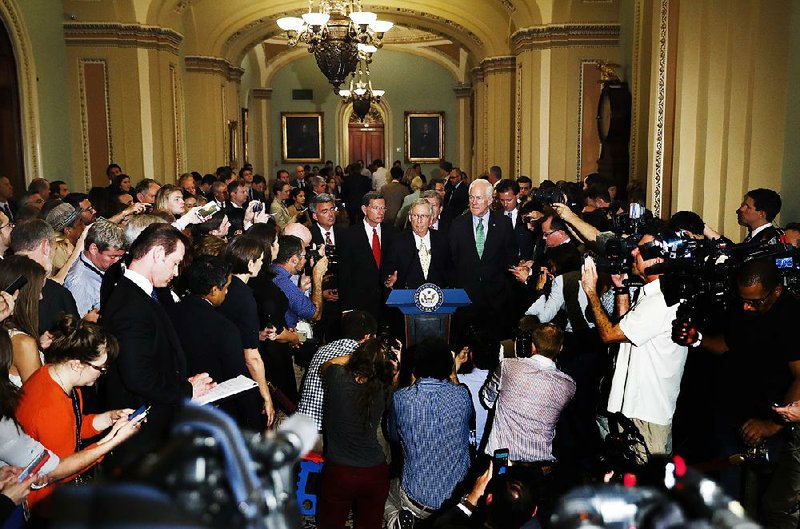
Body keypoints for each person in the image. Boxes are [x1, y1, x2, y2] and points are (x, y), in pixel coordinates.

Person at [102, 224, 214, 463]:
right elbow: (138, 376)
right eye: (174, 263)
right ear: (157, 254)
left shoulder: (138, 293)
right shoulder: (130, 304)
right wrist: (187, 390)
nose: (175, 272)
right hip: (144, 432)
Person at [16, 315, 144, 511]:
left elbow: (73, 428)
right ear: (76, 364)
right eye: (101, 368)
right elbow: (57, 470)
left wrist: (108, 418)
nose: (103, 372)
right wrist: (113, 440)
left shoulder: (57, 376)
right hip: (45, 503)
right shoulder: (48, 407)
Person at [581, 224, 688, 458]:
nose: (632, 253)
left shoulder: (661, 302)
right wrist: (621, 290)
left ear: (659, 259)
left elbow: (609, 334)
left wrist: (590, 291)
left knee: (646, 484)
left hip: (647, 414)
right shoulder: (652, 293)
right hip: (634, 407)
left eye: (640, 250)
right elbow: (624, 331)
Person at [169, 255, 266, 430]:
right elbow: (238, 380)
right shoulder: (224, 329)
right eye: (226, 287)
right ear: (214, 290)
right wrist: (254, 423)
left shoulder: (170, 313)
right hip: (218, 412)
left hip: (179, 404)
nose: (227, 292)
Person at [385, 337, 473, 528]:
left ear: (416, 367)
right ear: (448, 366)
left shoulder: (402, 399)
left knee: (380, 487)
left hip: (417, 501)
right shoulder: (463, 396)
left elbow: (392, 436)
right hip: (456, 502)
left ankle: (397, 520)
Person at [316, 338, 398, 529]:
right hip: (374, 472)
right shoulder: (384, 390)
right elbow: (394, 382)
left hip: (340, 471)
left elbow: (327, 364)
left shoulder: (337, 378)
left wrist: (361, 354)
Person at [480, 323, 575, 464]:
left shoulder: (508, 366)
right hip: (540, 465)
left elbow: (487, 400)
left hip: (503, 459)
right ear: (560, 348)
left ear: (532, 346)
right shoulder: (569, 385)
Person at [217, 236, 276, 427]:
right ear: (250, 264)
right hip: (237, 376)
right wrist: (266, 396)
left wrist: (254, 334)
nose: (262, 264)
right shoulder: (244, 297)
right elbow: (252, 357)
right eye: (260, 260)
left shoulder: (226, 287)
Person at [449, 179, 517, 341]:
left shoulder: (503, 224)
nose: (473, 202)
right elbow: (451, 260)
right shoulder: (457, 225)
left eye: (478, 198)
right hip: (466, 299)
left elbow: (510, 257)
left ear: (490, 200)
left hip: (496, 300)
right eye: (471, 197)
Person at [297, 310, 378, 433]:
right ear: (367, 337)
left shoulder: (322, 350)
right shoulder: (360, 357)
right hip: (328, 433)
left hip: (304, 427)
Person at [339, 191, 395, 321]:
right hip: (360, 303)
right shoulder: (349, 236)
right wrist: (347, 308)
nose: (381, 212)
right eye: (376, 208)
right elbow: (345, 274)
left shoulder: (392, 233)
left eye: (383, 208)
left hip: (387, 302)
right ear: (364, 209)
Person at [0, 255, 46, 387]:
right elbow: (39, 398)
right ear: (21, 294)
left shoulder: (10, 336)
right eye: (38, 291)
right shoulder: (23, 344)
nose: (41, 297)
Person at [64, 219, 125, 317]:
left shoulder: (104, 268)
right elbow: (78, 327)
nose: (117, 261)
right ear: (94, 249)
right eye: (112, 256)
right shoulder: (78, 284)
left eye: (120, 256)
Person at [384, 198, 450, 289]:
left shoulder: (443, 240)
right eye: (416, 216)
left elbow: (450, 271)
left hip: (437, 297)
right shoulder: (397, 241)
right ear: (410, 218)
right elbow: (387, 271)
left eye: (424, 216)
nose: (419, 220)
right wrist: (389, 280)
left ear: (430, 219)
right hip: (407, 296)